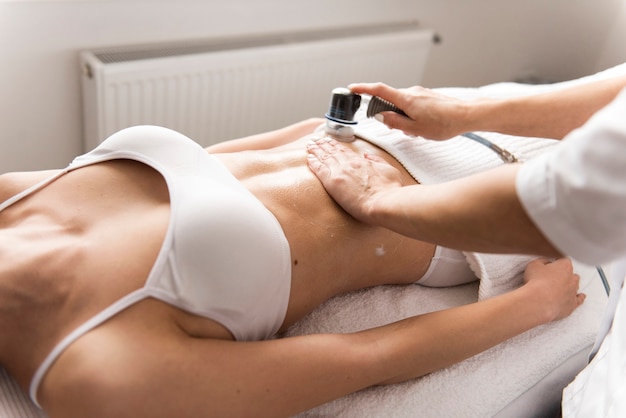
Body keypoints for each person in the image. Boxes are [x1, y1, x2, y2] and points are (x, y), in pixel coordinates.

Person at [0, 118, 584, 418]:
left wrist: (320, 126)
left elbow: (205, 162)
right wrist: (535, 306)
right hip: (459, 214)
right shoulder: (93, 378)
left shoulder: (8, 200)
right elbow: (368, 358)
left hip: (399, 136)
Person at [306, 70, 626, 417]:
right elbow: (372, 357)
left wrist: (381, 199)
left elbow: (565, 202)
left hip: (426, 192)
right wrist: (467, 113)